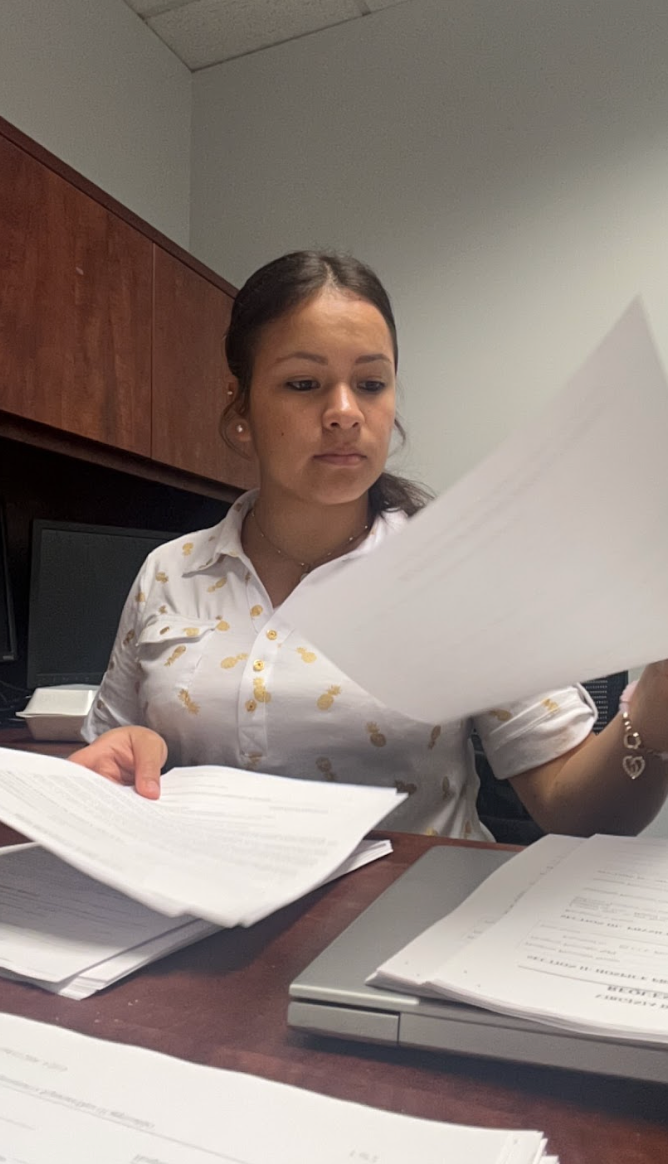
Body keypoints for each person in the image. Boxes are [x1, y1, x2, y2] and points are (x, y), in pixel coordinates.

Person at [72, 251, 668, 840]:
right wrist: (126, 755)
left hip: (407, 920)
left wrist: (661, 694)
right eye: (303, 384)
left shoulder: (456, 576)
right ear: (241, 406)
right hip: (201, 915)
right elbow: (111, 752)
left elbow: (580, 812)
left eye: (371, 384)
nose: (343, 412)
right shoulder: (169, 573)